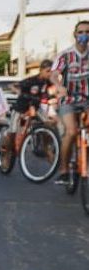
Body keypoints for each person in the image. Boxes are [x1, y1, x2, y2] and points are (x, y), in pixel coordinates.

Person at [52, 20, 89, 185]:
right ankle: (64, 169)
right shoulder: (65, 54)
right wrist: (59, 86)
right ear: (75, 34)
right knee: (72, 131)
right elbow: (54, 74)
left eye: (87, 32)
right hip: (68, 99)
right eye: (81, 32)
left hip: (87, 99)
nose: (84, 35)